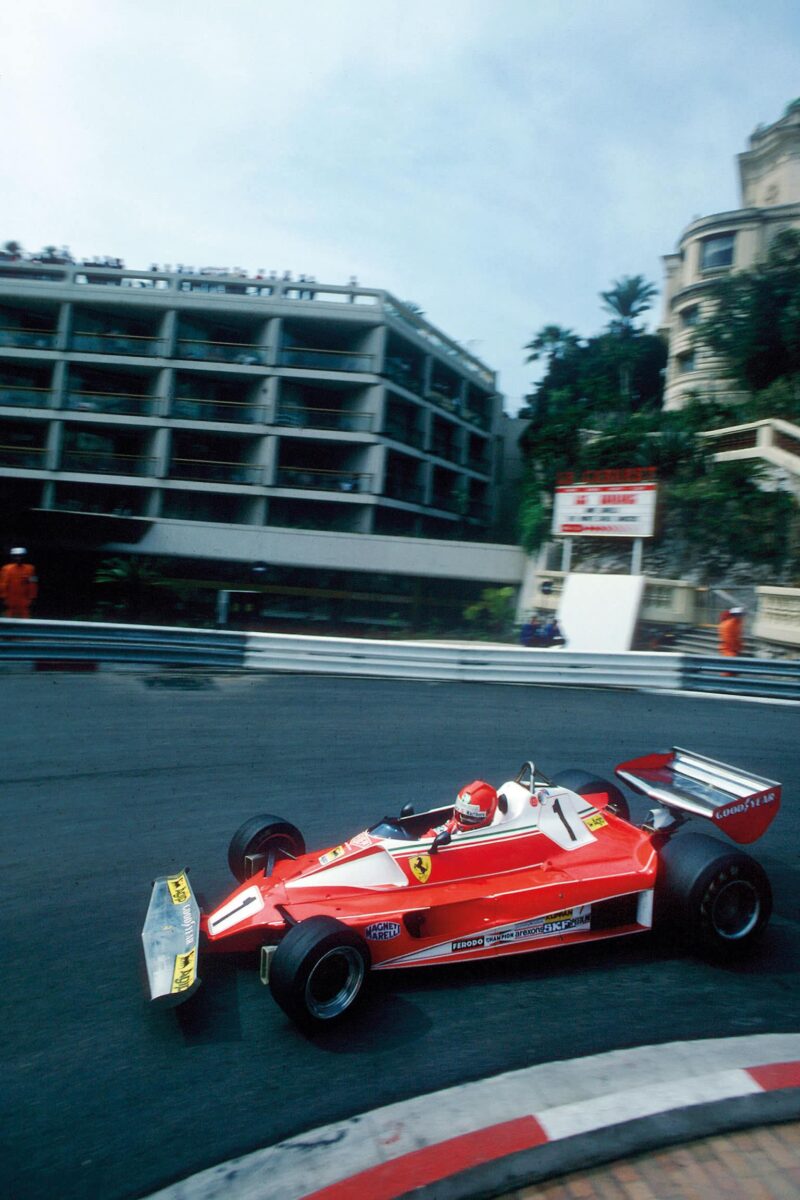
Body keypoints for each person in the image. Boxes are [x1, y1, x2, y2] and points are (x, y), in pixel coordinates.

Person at [0, 547, 38, 618]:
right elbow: (3, 584)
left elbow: (33, 584)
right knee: (8, 619)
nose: (18, 558)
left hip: (25, 600)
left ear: (24, 557)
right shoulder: (6, 569)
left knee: (25, 619)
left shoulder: (31, 569)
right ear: (12, 557)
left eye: (21, 556)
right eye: (16, 556)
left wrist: (33, 597)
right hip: (10, 599)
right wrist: (3, 597)